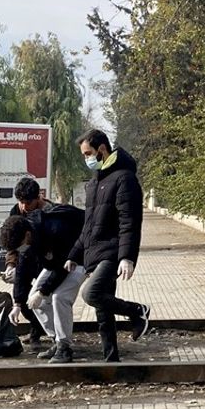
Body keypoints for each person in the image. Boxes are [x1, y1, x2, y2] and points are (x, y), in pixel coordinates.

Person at [65, 129, 150, 362]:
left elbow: (129, 221)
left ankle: (137, 311)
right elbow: (88, 226)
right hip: (95, 252)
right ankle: (111, 360)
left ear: (102, 149)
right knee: (103, 313)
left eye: (88, 153)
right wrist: (74, 254)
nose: (86, 159)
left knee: (90, 293)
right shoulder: (94, 183)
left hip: (112, 252)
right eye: (84, 155)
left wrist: (127, 257)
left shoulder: (124, 178)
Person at [0, 201, 86, 362]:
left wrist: (43, 291)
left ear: (26, 235)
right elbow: (22, 270)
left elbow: (63, 268)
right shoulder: (28, 236)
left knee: (59, 297)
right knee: (33, 300)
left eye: (19, 247)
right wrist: (17, 304)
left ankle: (65, 348)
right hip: (57, 263)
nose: (20, 251)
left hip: (79, 258)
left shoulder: (55, 229)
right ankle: (58, 340)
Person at [2, 176, 54, 347]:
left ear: (38, 197)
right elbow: (12, 240)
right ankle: (36, 329)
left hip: (45, 260)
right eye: (21, 201)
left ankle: (42, 334)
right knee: (22, 299)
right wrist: (11, 264)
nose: (24, 206)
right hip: (24, 260)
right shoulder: (16, 211)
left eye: (28, 202)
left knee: (42, 298)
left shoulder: (50, 211)